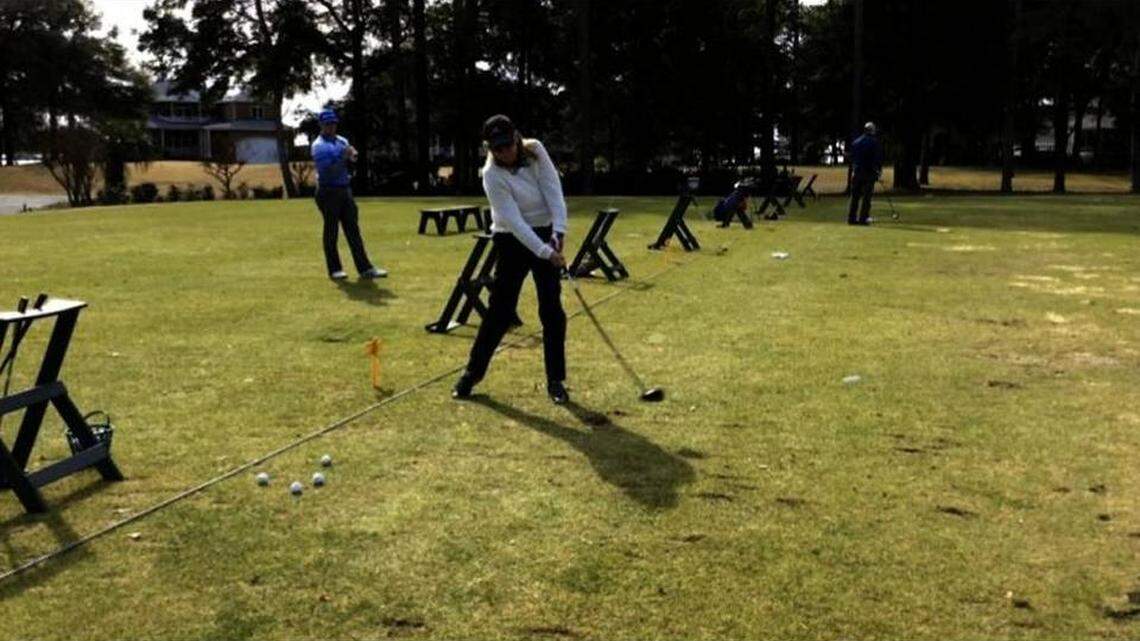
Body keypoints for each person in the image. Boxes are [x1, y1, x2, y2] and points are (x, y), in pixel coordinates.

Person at [452, 114, 570, 404]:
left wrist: (558, 233)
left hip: (544, 231)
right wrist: (546, 252)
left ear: (516, 138)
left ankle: (555, 380)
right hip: (511, 239)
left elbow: (554, 192)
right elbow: (515, 222)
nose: (504, 152)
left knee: (552, 310)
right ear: (489, 148)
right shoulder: (491, 175)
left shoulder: (536, 150)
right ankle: (472, 373)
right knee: (500, 311)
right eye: (497, 148)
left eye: (507, 145)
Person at [310, 108, 387, 280]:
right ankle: (335, 269)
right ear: (321, 125)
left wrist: (351, 157)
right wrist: (343, 157)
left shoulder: (342, 140)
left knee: (353, 230)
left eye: (333, 123)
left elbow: (350, 161)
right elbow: (327, 171)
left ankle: (365, 268)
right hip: (328, 191)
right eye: (328, 124)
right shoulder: (319, 146)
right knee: (331, 230)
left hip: (344, 189)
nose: (331, 127)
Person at [848, 121, 884, 226]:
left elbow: (852, 157)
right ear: (872, 131)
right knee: (866, 197)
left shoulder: (856, 142)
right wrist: (878, 171)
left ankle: (851, 218)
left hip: (857, 172)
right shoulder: (874, 142)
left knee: (855, 196)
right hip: (869, 173)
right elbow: (877, 159)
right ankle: (863, 218)